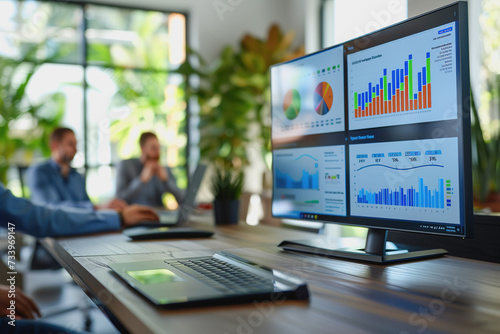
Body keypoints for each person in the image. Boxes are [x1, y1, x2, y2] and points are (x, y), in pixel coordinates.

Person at [0, 184, 158, 333]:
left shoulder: (75, 175)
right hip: (44, 252)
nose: (74, 152)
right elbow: (40, 215)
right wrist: (115, 216)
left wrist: (103, 211)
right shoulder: (40, 171)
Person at [27, 127, 127, 210]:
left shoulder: (77, 176)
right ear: (55, 145)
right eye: (70, 144)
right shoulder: (39, 172)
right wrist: (97, 207)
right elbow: (51, 208)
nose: (75, 149)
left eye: (76, 144)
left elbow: (88, 206)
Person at [115, 132, 184, 207]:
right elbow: (119, 199)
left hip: (157, 215)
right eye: (153, 148)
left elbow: (182, 199)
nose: (157, 153)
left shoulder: (163, 170)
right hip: (134, 215)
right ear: (142, 148)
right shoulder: (127, 165)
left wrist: (166, 181)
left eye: (158, 148)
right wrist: (141, 180)